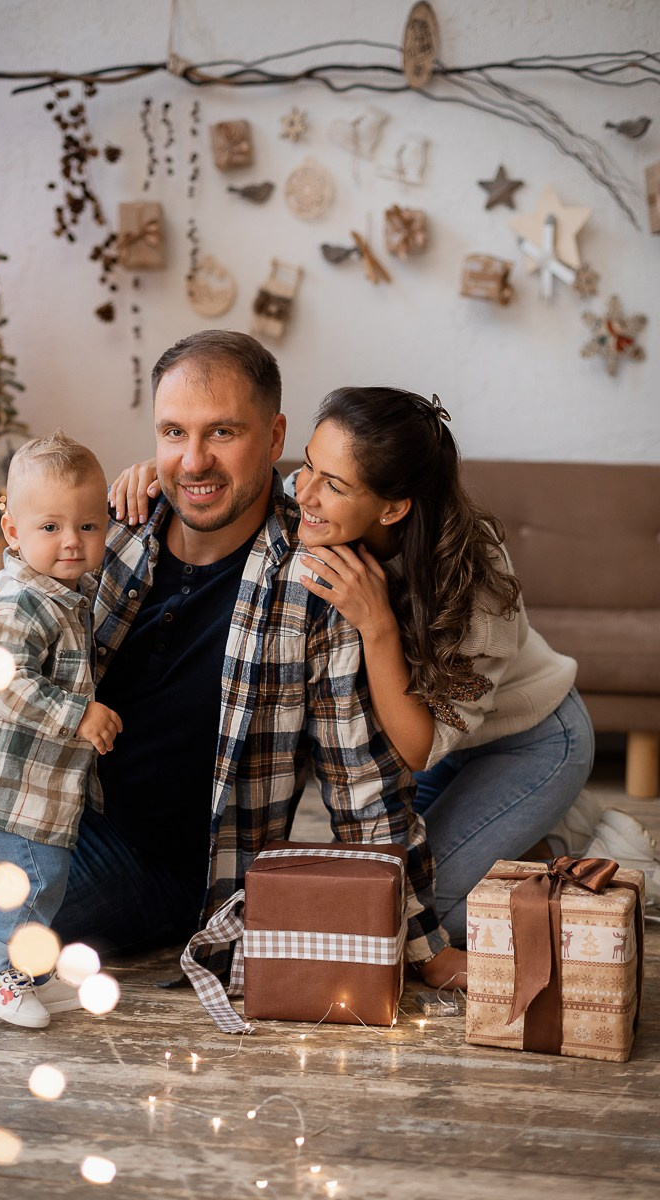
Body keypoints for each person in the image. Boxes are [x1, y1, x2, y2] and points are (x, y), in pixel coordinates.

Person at [0, 333, 461, 996]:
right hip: (57, 771)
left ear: (274, 436)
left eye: (223, 432)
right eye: (174, 432)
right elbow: (13, 638)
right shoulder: (120, 518)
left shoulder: (317, 583)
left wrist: (425, 947)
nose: (193, 460)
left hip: (149, 862)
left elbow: (362, 785)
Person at [111, 387, 596, 942]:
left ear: (392, 507)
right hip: (435, 749)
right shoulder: (308, 503)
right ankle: (522, 836)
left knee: (432, 914)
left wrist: (378, 625)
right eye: (309, 466)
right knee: (374, 894)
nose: (303, 492)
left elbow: (417, 749)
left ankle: (569, 839)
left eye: (334, 485)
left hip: (528, 740)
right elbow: (233, 494)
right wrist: (162, 479)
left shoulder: (473, 581)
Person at [0, 430, 121, 1028]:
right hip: (1, 783)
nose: (72, 541)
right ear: (12, 531)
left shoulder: (64, 596)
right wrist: (78, 713)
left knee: (49, 877)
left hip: (31, 785)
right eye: (51, 527)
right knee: (35, 878)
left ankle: (27, 970)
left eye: (88, 526)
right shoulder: (22, 602)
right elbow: (2, 681)